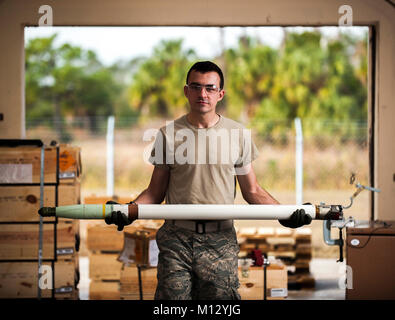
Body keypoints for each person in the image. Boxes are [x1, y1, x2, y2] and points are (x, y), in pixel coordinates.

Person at [105, 61, 312, 300]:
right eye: (196, 87)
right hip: (176, 240)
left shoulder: (237, 135)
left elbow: (252, 190)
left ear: (220, 94)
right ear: (186, 91)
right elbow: (155, 192)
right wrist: (126, 210)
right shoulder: (167, 134)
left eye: (210, 88)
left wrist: (285, 214)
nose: (202, 94)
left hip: (220, 241)